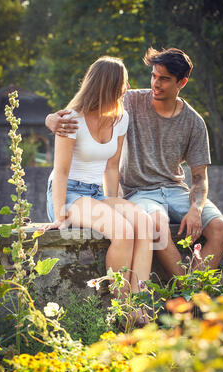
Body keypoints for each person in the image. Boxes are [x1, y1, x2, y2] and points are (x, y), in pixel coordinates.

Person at [45, 47, 223, 279]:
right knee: (145, 227)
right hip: (117, 192)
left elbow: (199, 177)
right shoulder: (128, 101)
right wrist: (51, 119)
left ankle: (174, 293)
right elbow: (92, 100)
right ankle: (178, 293)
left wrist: (196, 209)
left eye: (164, 79)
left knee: (217, 229)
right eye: (154, 75)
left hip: (165, 191)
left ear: (181, 82)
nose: (156, 83)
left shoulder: (191, 122)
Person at [45, 56, 153, 324]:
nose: (126, 89)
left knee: (145, 223)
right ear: (108, 87)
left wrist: (114, 204)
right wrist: (60, 215)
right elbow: (60, 171)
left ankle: (140, 303)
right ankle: (122, 309)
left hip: (95, 194)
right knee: (123, 231)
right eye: (121, 84)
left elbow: (112, 168)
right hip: (67, 194)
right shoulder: (71, 119)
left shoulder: (121, 118)